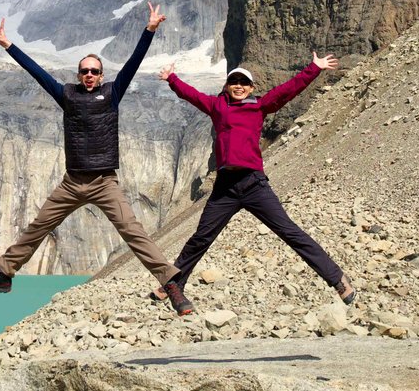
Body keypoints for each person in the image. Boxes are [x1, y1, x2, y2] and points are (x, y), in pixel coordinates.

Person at [0, 5, 194, 316]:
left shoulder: (113, 94)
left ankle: (171, 285)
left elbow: (133, 63)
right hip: (72, 183)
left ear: (102, 76)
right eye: (84, 71)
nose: (89, 75)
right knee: (37, 227)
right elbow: (37, 72)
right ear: (79, 75)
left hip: (104, 182)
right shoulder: (67, 95)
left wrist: (150, 30)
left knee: (133, 231)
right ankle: (3, 274)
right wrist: (9, 45)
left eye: (94, 71)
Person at [152, 54, 356, 309]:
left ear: (251, 88)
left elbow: (287, 91)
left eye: (244, 83)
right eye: (233, 82)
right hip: (225, 187)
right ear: (226, 86)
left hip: (253, 184)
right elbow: (191, 95)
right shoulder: (218, 106)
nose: (239, 86)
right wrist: (172, 78)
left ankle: (338, 279)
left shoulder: (259, 106)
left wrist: (314, 68)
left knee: (290, 232)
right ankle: (174, 284)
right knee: (202, 237)